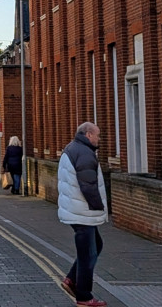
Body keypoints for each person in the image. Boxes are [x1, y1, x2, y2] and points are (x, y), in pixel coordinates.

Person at [58, 122, 108, 307]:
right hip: (82, 211)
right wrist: (99, 207)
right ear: (88, 134)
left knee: (96, 245)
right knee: (88, 253)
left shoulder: (73, 148)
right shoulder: (85, 153)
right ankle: (84, 297)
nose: (99, 139)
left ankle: (71, 279)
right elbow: (88, 185)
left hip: (76, 209)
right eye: (97, 135)